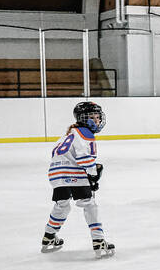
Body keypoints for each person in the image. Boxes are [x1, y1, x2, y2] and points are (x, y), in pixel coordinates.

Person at [41, 101, 114, 258]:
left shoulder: (68, 134)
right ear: (82, 118)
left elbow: (56, 154)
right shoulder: (85, 133)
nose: (96, 120)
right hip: (74, 173)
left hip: (56, 174)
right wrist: (93, 175)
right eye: (92, 117)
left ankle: (49, 236)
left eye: (98, 117)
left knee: (62, 205)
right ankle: (98, 240)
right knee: (89, 204)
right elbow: (84, 159)